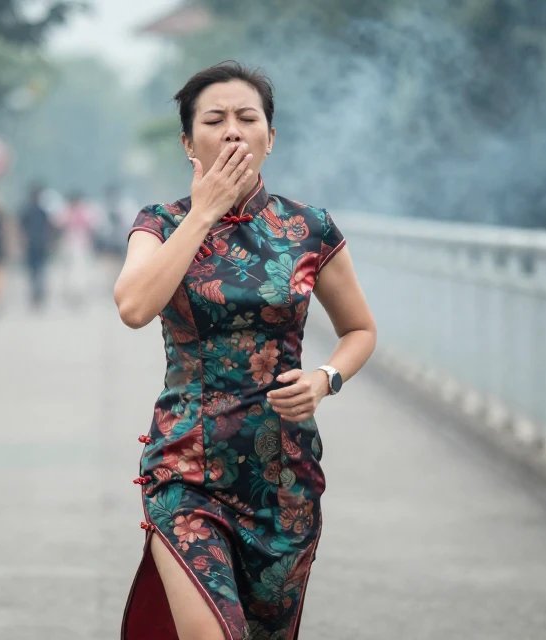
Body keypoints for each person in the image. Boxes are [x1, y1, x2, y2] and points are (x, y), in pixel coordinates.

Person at [114, 61, 377, 640]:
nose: (232, 130)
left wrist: (326, 378)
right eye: (214, 120)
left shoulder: (310, 229)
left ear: (270, 136)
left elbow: (360, 330)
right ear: (188, 141)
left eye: (246, 117)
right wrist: (204, 210)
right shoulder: (159, 224)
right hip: (184, 467)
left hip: (282, 477)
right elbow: (133, 306)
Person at [57, 190, 102, 307]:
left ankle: (77, 292)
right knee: (72, 270)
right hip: (72, 244)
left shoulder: (81, 211)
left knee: (78, 270)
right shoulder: (70, 211)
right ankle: (73, 292)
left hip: (79, 244)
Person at [17, 182, 56, 310]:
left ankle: (36, 294)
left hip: (31, 245)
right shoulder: (43, 211)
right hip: (40, 245)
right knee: (40, 270)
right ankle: (39, 293)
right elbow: (49, 229)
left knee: (33, 271)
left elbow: (21, 230)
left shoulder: (26, 211)